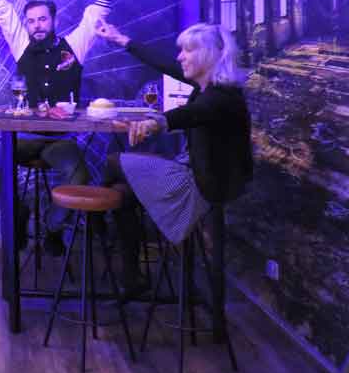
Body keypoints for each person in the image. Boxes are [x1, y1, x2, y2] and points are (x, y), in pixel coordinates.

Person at [0, 0, 118, 252]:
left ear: (54, 21)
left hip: (60, 141)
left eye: (42, 19)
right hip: (24, 138)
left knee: (78, 176)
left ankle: (52, 227)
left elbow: (99, 7)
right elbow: (1, 6)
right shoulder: (21, 45)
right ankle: (20, 213)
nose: (36, 26)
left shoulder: (74, 46)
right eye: (31, 21)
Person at [94, 20, 253, 294]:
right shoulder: (207, 86)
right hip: (195, 175)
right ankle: (132, 278)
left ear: (209, 55)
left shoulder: (221, 97)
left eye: (187, 51)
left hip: (201, 187)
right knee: (121, 194)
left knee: (113, 162)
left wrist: (156, 122)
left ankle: (96, 226)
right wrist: (121, 39)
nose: (180, 57)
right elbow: (164, 64)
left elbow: (193, 113)